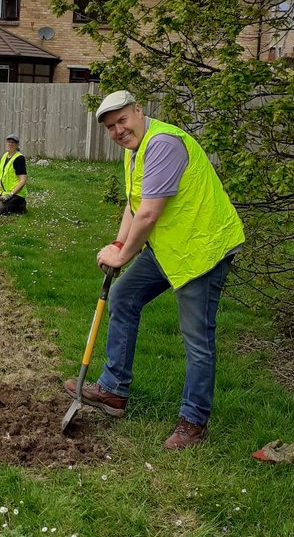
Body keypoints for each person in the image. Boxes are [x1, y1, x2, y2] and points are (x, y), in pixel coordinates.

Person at [65, 91, 244, 449]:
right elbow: (135, 206)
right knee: (124, 295)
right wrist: (119, 245)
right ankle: (113, 390)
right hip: (170, 247)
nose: (118, 130)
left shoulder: (162, 144)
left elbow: (150, 214)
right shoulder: (135, 152)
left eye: (122, 121)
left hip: (202, 249)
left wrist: (124, 255)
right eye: (110, 127)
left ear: (139, 111)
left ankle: (193, 422)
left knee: (196, 337)